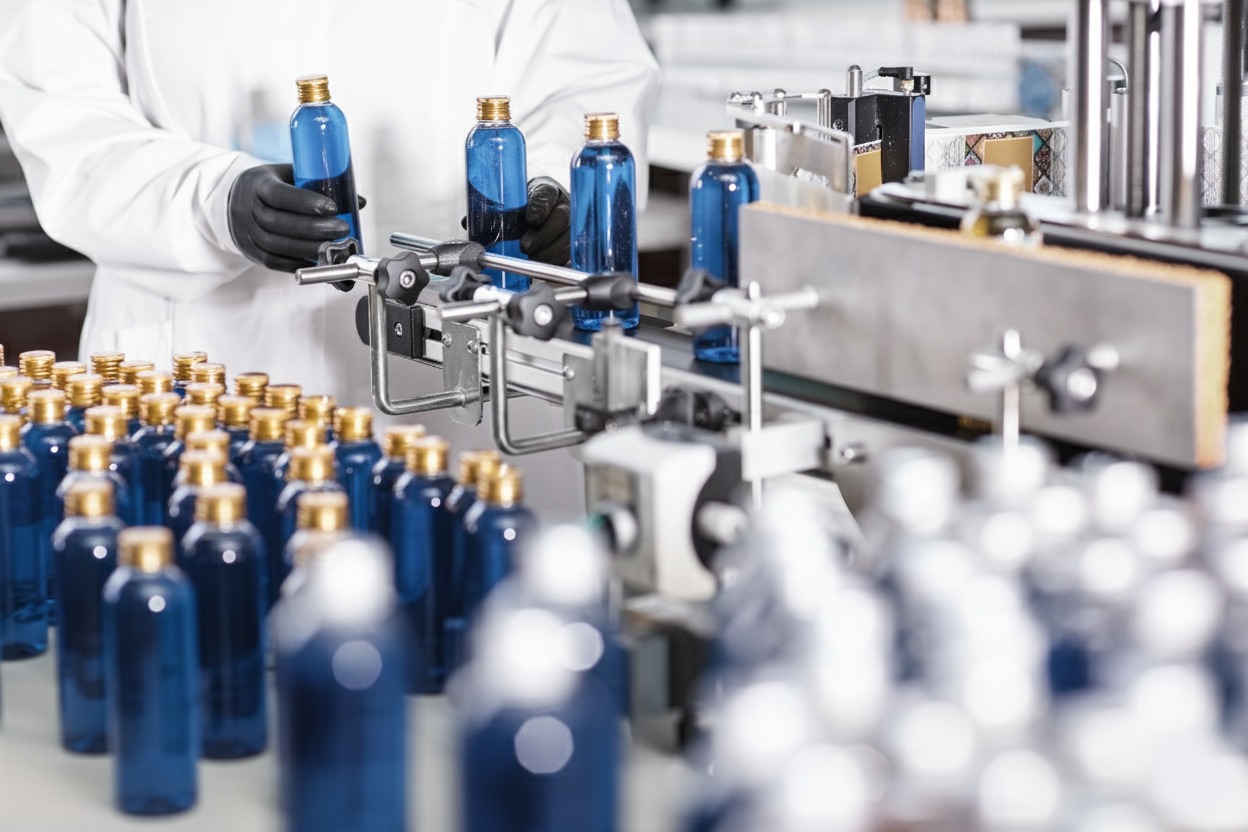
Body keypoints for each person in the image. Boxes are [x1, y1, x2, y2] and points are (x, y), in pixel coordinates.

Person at [0, 0, 660, 404]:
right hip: (203, 349)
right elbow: (64, 120)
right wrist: (215, 201)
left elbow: (588, 75)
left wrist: (547, 190)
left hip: (471, 337)